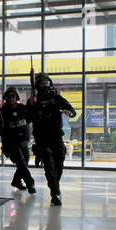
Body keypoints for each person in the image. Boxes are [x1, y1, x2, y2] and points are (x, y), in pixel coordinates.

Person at [26, 73, 76, 206]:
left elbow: (71, 110)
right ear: (37, 85)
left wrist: (68, 112)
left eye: (47, 82)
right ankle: (55, 193)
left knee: (58, 165)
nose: (45, 85)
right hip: (42, 138)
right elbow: (28, 118)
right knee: (49, 165)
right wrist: (32, 105)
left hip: (56, 137)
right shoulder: (34, 100)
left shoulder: (56, 97)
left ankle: (55, 187)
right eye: (42, 83)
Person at [0, 87, 35, 194]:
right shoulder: (3, 110)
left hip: (23, 141)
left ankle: (16, 181)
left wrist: (32, 104)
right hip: (10, 142)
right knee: (20, 161)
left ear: (17, 97)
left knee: (24, 162)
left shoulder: (23, 108)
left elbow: (31, 118)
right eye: (8, 96)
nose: (10, 98)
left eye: (13, 96)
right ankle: (30, 184)